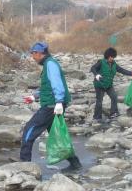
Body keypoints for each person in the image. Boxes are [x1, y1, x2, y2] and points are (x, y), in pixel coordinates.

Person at [20, 42, 82, 170]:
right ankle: (75, 163)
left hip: (51, 106)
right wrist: (34, 96)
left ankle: (24, 163)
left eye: (33, 54)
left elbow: (56, 83)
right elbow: (47, 86)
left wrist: (59, 101)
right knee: (57, 136)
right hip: (54, 105)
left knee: (29, 129)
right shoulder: (49, 63)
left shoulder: (50, 64)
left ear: (39, 53)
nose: (32, 57)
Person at [90, 47, 132, 121]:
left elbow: (121, 70)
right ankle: (97, 117)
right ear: (108, 56)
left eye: (113, 57)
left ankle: (113, 113)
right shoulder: (101, 62)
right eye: (111, 57)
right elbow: (93, 68)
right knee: (99, 101)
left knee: (114, 97)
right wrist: (96, 75)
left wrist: (131, 73)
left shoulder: (114, 64)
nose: (112, 58)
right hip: (99, 85)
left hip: (109, 85)